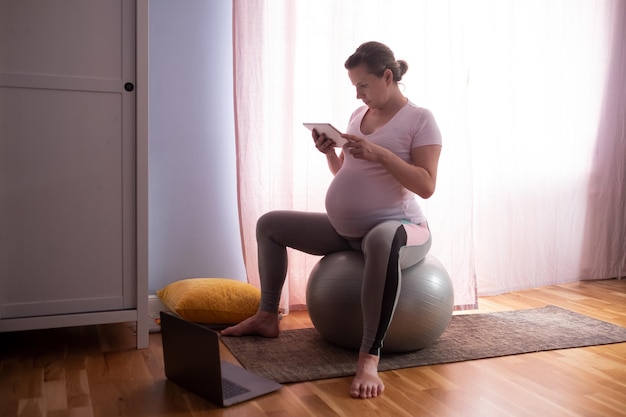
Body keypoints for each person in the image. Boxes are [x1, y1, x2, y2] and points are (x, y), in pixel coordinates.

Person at [222, 41, 442, 399]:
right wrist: (330, 154)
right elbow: (348, 173)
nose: (358, 94)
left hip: (401, 228)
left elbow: (427, 185)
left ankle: (369, 357)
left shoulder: (420, 119)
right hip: (347, 229)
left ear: (388, 77)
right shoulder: (359, 115)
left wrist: (379, 152)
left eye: (363, 85)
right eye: (354, 86)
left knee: (381, 240)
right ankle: (266, 317)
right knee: (270, 224)